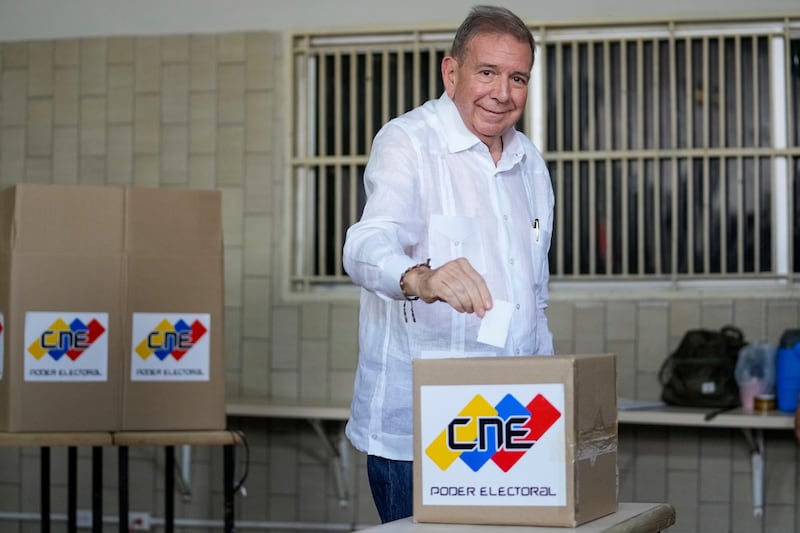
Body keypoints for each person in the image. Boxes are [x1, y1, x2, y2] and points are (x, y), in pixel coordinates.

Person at [342, 5, 554, 523]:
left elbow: (536, 299)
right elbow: (364, 244)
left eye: (518, 77)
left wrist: (553, 403)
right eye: (487, 72)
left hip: (510, 426)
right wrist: (422, 278)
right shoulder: (409, 142)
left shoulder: (530, 164)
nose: (502, 93)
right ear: (451, 72)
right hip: (423, 434)